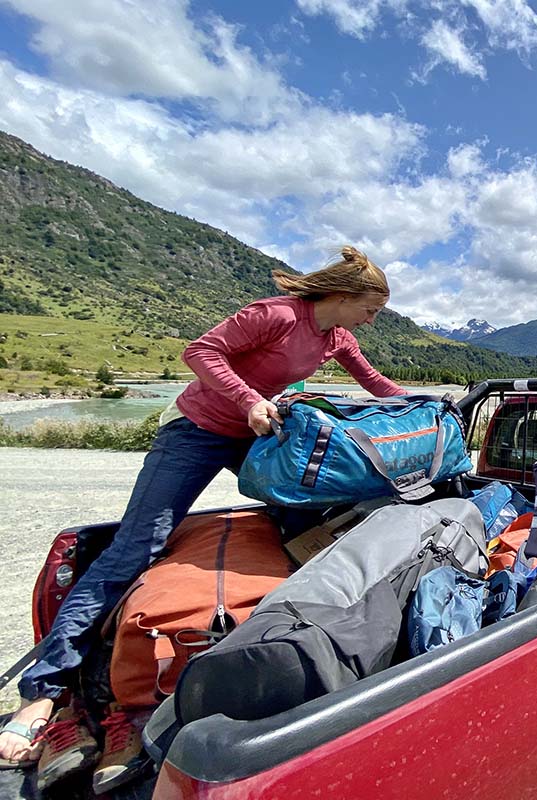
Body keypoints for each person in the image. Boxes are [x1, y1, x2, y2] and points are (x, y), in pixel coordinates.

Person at [0, 246, 407, 792]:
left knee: (318, 518)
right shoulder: (276, 314)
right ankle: (43, 692)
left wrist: (428, 406)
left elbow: (378, 384)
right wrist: (247, 399)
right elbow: (202, 351)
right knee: (135, 547)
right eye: (370, 309)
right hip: (196, 432)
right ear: (340, 296)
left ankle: (274, 639)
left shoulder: (338, 339)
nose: (370, 320)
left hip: (255, 438)